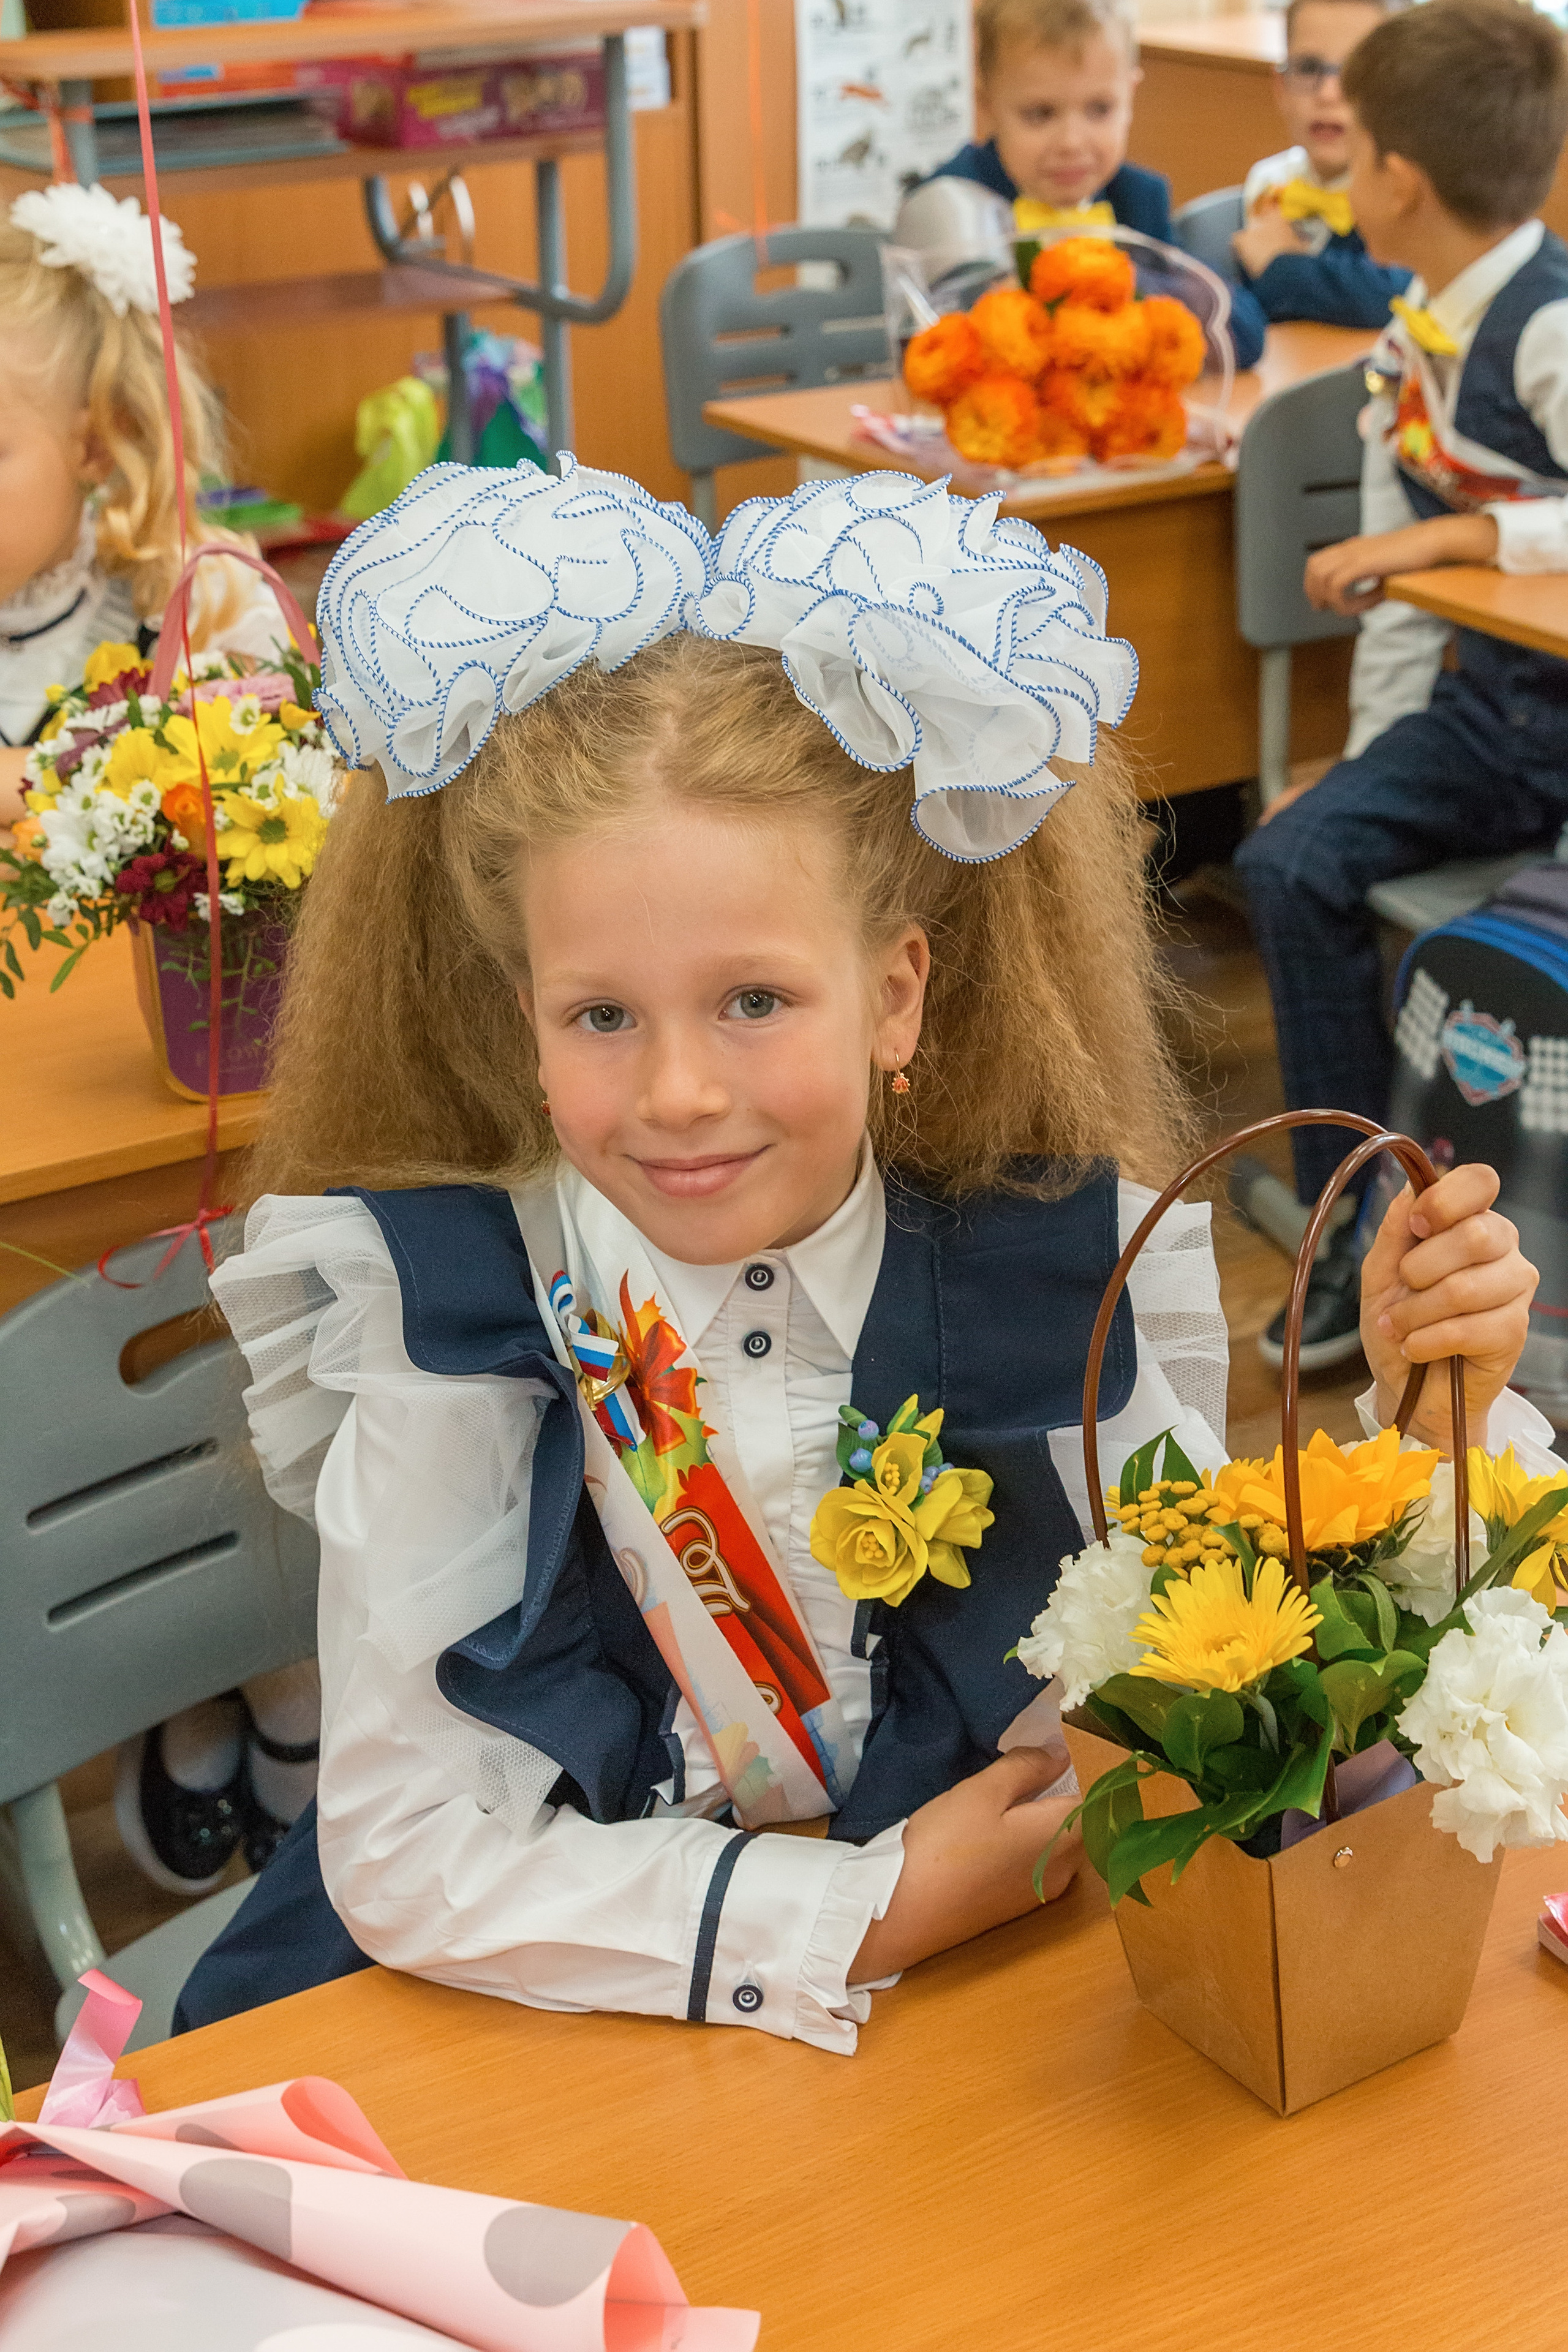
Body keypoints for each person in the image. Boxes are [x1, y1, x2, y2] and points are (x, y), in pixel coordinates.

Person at [174, 457, 1545, 2049]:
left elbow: (1209, 1657)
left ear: (898, 992)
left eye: (754, 1001)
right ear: (519, 1015)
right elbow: (416, 1856)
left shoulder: (1064, 1251)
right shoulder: (442, 1313)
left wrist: (1422, 1433)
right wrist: (869, 1909)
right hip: (544, 2022)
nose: (680, 1092)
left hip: (973, 2023)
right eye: (601, 1015)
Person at [0, 179, 320, 1887]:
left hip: (174, 1119)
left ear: (110, 455)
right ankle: (143, 1676)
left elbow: (274, 783)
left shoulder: (177, 604)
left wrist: (229, 645)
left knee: (230, 1400)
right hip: (22, 1152)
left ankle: (272, 1666)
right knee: (60, 1424)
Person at [1237, 0, 1568, 1371]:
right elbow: (1384, 614)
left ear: (1396, 182)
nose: (1338, 159)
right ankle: (1353, 1215)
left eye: (1352, 141)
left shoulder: (1546, 328)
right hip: (1477, 724)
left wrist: (1459, 534)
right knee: (1288, 861)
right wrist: (1365, 765)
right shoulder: (1410, 337)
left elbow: (1418, 552)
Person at [930, 0, 1268, 367]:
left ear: (1131, 96)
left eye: (1100, 110)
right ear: (987, 104)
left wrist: (1125, 284)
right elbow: (923, 355)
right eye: (1041, 114)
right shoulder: (950, 204)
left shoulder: (1138, 201)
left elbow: (1245, 333)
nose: (1072, 143)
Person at [1231, 0, 1412, 329]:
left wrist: (1283, 265)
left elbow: (1398, 295)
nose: (1329, 94)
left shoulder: (1408, 190)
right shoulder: (1269, 182)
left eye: (1358, 70)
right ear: (1280, 87)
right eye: (1309, 68)